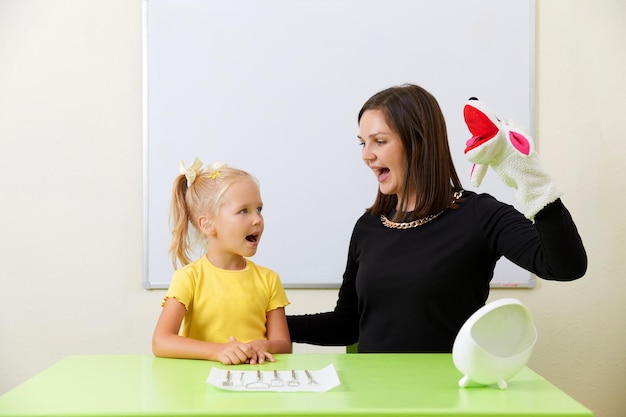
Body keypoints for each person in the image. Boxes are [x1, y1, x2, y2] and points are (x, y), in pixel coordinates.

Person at [287, 84, 587, 353]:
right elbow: (347, 325)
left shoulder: (479, 215)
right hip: (372, 396)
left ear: (417, 142)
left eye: (379, 141)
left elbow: (565, 267)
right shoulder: (369, 226)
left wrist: (533, 183)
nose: (366, 155)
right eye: (362, 142)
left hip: (447, 399)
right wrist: (261, 324)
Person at [152, 159, 291, 364]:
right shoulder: (189, 278)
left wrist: (265, 345)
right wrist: (217, 351)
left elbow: (283, 345)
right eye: (244, 211)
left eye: (259, 209)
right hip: (202, 386)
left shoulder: (269, 280)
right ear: (207, 224)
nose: (257, 219)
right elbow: (161, 341)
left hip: (258, 383)